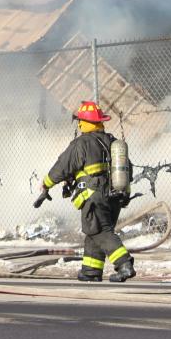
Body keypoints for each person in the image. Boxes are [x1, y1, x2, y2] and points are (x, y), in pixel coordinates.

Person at [36, 100, 136, 283]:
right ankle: (91, 271)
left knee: (100, 231)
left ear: (85, 122)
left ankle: (124, 265)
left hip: (94, 195)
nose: (79, 124)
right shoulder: (112, 142)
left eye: (80, 120)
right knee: (94, 233)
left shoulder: (82, 143)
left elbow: (62, 167)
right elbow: (128, 168)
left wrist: (46, 184)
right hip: (115, 195)